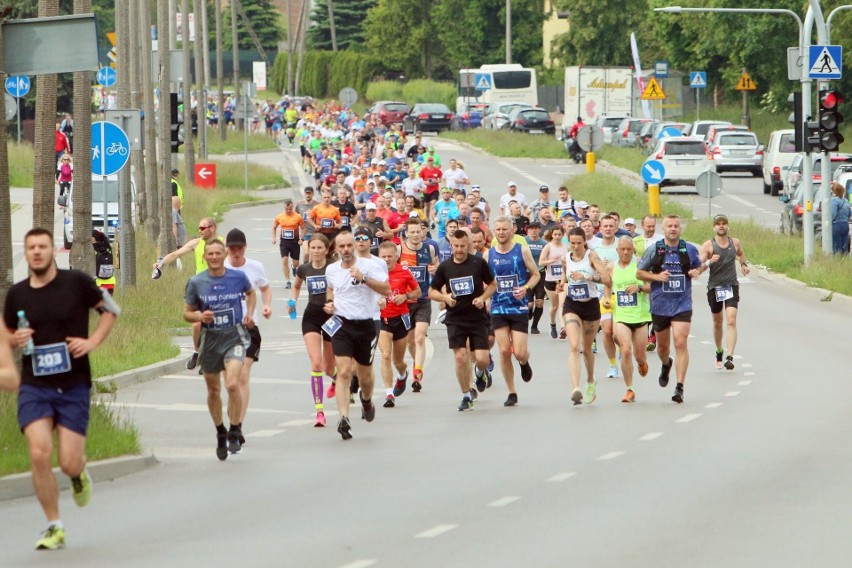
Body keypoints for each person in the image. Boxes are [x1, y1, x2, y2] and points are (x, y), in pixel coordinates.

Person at [4, 228, 119, 550]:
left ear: (52, 250)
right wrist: (15, 340)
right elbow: (9, 334)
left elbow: (111, 310)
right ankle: (54, 525)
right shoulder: (17, 295)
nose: (37, 252)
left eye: (42, 246)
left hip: (73, 385)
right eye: (31, 248)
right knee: (39, 452)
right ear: (25, 253)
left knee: (68, 462)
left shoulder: (77, 282)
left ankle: (77, 473)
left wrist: (92, 341)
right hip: (34, 385)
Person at [184, 239, 255, 459]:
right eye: (210, 254)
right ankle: (220, 431)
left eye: (218, 253)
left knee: (233, 384)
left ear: (224, 254)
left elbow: (251, 293)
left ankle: (235, 429)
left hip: (234, 336)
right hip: (210, 340)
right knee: (213, 391)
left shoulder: (238, 277)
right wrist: (198, 316)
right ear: (204, 257)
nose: (214, 257)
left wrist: (249, 313)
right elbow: (186, 313)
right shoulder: (196, 282)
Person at [323, 232, 391, 440]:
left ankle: (367, 400)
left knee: (365, 375)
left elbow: (387, 290)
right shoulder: (332, 270)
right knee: (343, 372)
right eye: (341, 246)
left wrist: (364, 279)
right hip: (342, 324)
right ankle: (344, 418)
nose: (345, 250)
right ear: (336, 249)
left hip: (367, 324)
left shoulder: (371, 266)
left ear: (354, 246)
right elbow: (330, 289)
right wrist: (330, 303)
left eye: (348, 245)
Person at [636, 215, 703, 404]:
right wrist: (657, 278)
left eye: (676, 225)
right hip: (660, 304)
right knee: (663, 347)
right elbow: (639, 272)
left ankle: (680, 386)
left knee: (680, 342)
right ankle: (666, 364)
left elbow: (699, 266)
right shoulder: (655, 250)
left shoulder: (688, 249)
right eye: (669, 226)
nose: (673, 229)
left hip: (682, 303)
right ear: (663, 229)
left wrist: (696, 271)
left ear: (680, 229)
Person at [428, 229, 496, 411]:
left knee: (482, 359)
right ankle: (466, 394)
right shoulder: (445, 267)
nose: (459, 250)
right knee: (460, 357)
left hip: (477, 318)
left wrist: (482, 298)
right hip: (455, 318)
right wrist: (445, 298)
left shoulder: (478, 263)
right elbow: (432, 291)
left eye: (462, 246)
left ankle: (480, 372)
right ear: (451, 246)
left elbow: (492, 285)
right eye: (456, 246)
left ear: (469, 245)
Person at [154, 217, 225, 370]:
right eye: (199, 228)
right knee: (196, 325)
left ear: (212, 228)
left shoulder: (222, 242)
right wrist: (160, 264)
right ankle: (196, 352)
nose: (200, 231)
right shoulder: (196, 243)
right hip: (200, 288)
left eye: (203, 228)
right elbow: (175, 254)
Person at [484, 217, 539, 407]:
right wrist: (485, 298)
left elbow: (536, 274)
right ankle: (511, 392)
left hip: (519, 307)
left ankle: (524, 363)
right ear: (494, 231)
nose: (501, 232)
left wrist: (526, 288)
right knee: (504, 350)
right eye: (498, 229)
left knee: (520, 353)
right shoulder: (488, 255)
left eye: (505, 229)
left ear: (512, 231)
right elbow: (485, 281)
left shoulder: (521, 250)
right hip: (498, 308)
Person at [224, 229, 272, 444]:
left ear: (245, 248)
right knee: (230, 383)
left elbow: (265, 287)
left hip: (250, 328)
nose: (235, 252)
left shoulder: (255, 267)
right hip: (225, 330)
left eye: (239, 248)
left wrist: (267, 305)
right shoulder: (219, 267)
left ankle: (237, 426)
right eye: (232, 248)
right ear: (227, 248)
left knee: (242, 376)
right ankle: (233, 421)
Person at [558, 227, 611, 405]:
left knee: (587, 348)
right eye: (572, 243)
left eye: (579, 243)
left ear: (584, 242)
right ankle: (575, 388)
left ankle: (590, 380)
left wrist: (586, 275)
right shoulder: (566, 258)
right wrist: (561, 284)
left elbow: (606, 279)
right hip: (572, 304)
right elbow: (564, 279)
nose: (575, 246)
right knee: (574, 346)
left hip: (590, 305)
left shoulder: (591, 256)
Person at [291, 234, 337, 427]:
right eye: (313, 248)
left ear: (326, 250)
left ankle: (338, 379)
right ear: (308, 249)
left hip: (331, 318)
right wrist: (292, 302)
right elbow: (296, 286)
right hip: (311, 317)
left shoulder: (333, 268)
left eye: (320, 248)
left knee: (328, 368)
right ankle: (319, 411)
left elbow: (341, 289)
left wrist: (334, 303)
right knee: (316, 363)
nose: (316, 251)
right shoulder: (304, 268)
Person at [698, 214, 750, 370]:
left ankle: (730, 357)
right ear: (714, 227)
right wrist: (709, 261)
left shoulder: (735, 243)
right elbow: (699, 266)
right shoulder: (708, 246)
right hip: (715, 287)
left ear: (728, 226)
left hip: (731, 285)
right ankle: (719, 349)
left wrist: (743, 265)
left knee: (731, 320)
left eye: (724, 223)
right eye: (718, 224)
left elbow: (740, 254)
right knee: (718, 322)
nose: (721, 226)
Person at [607, 237, 651, 402]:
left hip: (640, 316)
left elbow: (652, 287)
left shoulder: (640, 266)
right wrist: (606, 297)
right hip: (621, 316)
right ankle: (629, 389)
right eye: (622, 249)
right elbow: (606, 284)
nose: (625, 252)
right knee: (625, 350)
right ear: (617, 250)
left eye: (629, 249)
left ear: (633, 250)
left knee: (639, 355)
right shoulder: (611, 267)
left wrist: (639, 287)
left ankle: (641, 362)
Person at [377, 242, 420, 407]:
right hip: (383, 320)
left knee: (398, 361)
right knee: (386, 355)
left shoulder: (404, 272)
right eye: (383, 256)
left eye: (390, 256)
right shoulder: (375, 273)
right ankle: (389, 394)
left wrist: (405, 296)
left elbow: (418, 292)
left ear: (396, 256)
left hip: (401, 318)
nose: (387, 259)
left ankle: (402, 375)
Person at [399, 218, 437, 392]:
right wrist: (401, 267)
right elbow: (390, 269)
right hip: (405, 301)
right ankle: (416, 364)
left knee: (420, 337)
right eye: (412, 232)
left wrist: (433, 269)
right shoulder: (400, 250)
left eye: (418, 232)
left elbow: (436, 265)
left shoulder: (429, 248)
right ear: (406, 233)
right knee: (410, 342)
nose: (415, 235)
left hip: (423, 300)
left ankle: (417, 372)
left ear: (423, 232)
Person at [594, 215, 621, 379]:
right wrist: (600, 270)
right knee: (606, 331)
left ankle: (621, 349)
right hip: (601, 293)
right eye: (605, 226)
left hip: (621, 292)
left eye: (611, 226)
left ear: (616, 227)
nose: (608, 228)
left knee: (618, 333)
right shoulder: (595, 250)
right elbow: (592, 274)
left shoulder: (623, 246)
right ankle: (612, 365)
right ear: (600, 228)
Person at [540, 227, 566, 339]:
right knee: (554, 306)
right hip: (550, 280)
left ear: (563, 235)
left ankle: (563, 327)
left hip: (563, 280)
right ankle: (552, 324)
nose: (557, 236)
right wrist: (551, 261)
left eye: (559, 234)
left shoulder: (566, 247)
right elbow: (541, 262)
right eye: (555, 234)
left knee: (562, 304)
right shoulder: (548, 246)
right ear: (552, 235)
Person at [272, 199, 305, 289]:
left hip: (295, 242)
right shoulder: (279, 217)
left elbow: (303, 228)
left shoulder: (298, 217)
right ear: (284, 207)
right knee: (284, 260)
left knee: (296, 263)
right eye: (287, 209)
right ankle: (288, 281)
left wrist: (302, 239)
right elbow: (274, 227)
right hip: (284, 241)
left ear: (292, 207)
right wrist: (274, 237)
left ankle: (294, 267)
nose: (288, 211)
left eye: (290, 209)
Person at [525, 222, 547, 333]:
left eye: (536, 229)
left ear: (539, 230)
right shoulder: (524, 241)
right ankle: (528, 312)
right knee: (529, 304)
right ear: (528, 230)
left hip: (541, 273)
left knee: (539, 302)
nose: (534, 231)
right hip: (527, 273)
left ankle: (534, 326)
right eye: (531, 229)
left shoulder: (544, 243)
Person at [91, 230, 116, 294]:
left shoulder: (93, 249)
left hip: (98, 283)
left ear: (93, 238)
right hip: (110, 284)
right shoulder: (108, 249)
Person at [831, 181, 851, 254]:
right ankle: (844, 260)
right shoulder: (846, 201)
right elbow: (849, 214)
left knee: (837, 247)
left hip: (837, 225)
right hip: (845, 225)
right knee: (844, 246)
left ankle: (837, 261)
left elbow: (833, 214)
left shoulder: (834, 201)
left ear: (834, 192)